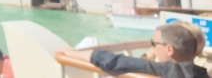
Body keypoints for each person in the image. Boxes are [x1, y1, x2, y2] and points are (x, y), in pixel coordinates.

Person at [59, 23, 209, 78]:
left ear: (169, 49)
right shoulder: (203, 73)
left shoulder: (166, 71)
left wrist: (70, 53)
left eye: (154, 43)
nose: (153, 47)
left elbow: (115, 61)